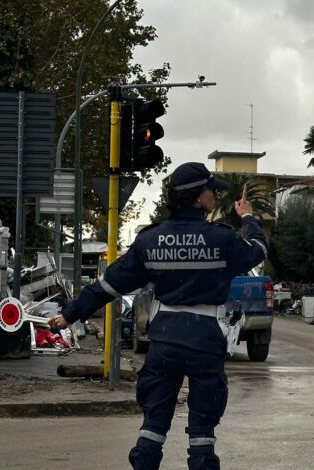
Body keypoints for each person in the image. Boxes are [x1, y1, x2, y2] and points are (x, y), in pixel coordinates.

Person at [48, 162, 267, 470]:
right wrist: (247, 217)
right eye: (210, 190)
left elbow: (109, 284)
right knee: (203, 431)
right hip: (205, 342)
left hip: (165, 342)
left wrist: (70, 314)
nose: (214, 195)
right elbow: (257, 250)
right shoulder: (222, 239)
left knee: (154, 423)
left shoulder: (151, 240)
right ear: (196, 197)